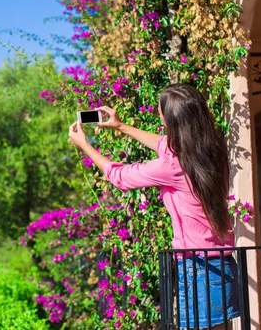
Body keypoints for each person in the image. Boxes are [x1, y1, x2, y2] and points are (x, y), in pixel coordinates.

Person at [68, 83, 240, 330]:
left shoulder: (173, 165)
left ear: (171, 119)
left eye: (161, 113)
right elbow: (163, 144)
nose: (159, 117)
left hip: (198, 267)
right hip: (223, 263)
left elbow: (120, 177)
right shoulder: (212, 149)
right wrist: (121, 126)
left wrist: (84, 145)